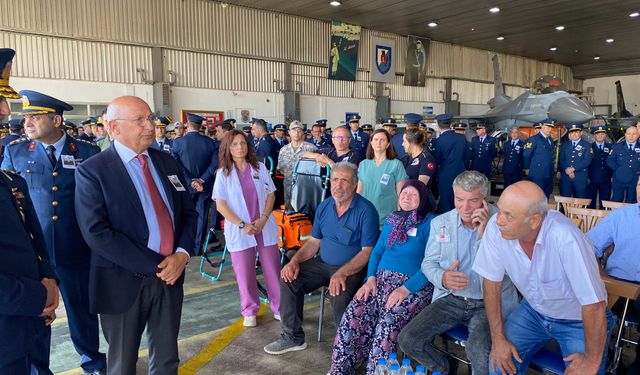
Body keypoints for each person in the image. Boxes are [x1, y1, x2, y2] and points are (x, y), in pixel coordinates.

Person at [74, 96, 198, 374]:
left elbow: (189, 213)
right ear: (114, 128)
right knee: (122, 363)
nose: (150, 126)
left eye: (150, 118)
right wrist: (158, 265)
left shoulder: (166, 162)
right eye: (140, 120)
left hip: (171, 277)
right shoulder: (93, 171)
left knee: (167, 359)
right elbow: (97, 232)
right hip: (121, 281)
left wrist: (181, 254)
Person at [2, 90, 107, 375]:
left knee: (81, 311)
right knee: (38, 315)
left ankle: (92, 360)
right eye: (26, 117)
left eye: (35, 117)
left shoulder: (87, 151)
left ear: (57, 120)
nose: (27, 123)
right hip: (36, 253)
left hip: (75, 247)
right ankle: (38, 367)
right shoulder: (16, 151)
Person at [473, 181, 613, 375]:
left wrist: (591, 359)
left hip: (579, 318)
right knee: (499, 362)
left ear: (534, 221)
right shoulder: (497, 229)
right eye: (500, 210)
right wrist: (498, 339)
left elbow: (594, 305)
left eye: (509, 216)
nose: (498, 221)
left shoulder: (565, 238)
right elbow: (490, 282)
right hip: (534, 311)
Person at [399, 171, 517, 375]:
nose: (465, 207)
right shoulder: (441, 223)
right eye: (459, 199)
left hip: (488, 302)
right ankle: (446, 368)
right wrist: (443, 278)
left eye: (473, 201)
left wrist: (486, 234)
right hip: (451, 299)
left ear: (485, 199)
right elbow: (429, 263)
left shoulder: (503, 223)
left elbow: (513, 269)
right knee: (408, 339)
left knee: (479, 350)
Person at [264, 162, 379, 355]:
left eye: (344, 180)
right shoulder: (325, 206)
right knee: (289, 278)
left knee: (339, 293)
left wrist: (342, 273)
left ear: (354, 184)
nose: (338, 185)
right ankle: (292, 337)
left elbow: (368, 251)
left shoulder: (366, 211)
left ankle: (348, 348)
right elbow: (313, 243)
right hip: (323, 264)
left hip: (351, 269)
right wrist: (294, 261)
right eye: (335, 179)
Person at [329, 180, 436, 375]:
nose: (406, 197)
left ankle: (377, 372)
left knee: (388, 322)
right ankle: (339, 369)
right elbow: (377, 252)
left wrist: (406, 289)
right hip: (379, 282)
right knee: (354, 313)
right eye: (404, 194)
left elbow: (432, 264)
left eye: (413, 195)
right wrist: (370, 278)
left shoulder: (431, 223)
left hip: (412, 287)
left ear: (422, 199)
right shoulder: (393, 219)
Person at [0, 47, 60, 375]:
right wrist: (40, 295)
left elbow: (30, 238)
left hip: (26, 324)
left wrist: (48, 279)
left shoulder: (8, 181)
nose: (7, 110)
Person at [212, 129, 281, 326]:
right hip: (240, 229)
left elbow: (271, 195)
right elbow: (221, 205)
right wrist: (242, 225)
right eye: (234, 144)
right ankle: (250, 309)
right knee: (244, 272)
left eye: (243, 143)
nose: (240, 147)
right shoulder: (223, 174)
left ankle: (279, 307)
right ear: (228, 148)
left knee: (272, 268)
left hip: (263, 225)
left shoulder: (259, 168)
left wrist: (264, 218)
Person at [588, 177, 640, 373]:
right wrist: (603, 277)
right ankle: (607, 360)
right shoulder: (621, 216)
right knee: (589, 312)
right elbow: (588, 246)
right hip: (615, 286)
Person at [171, 113, 219, 255]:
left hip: (186, 186)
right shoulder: (210, 142)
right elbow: (214, 164)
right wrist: (201, 180)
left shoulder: (178, 142)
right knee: (202, 216)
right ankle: (197, 248)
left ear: (187, 124)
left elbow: (176, 164)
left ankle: (184, 247)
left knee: (184, 215)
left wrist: (191, 181)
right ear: (200, 126)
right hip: (205, 186)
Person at [357, 129, 408, 228]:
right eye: (375, 139)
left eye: (382, 140)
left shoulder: (396, 164)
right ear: (371, 143)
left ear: (388, 144)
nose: (378, 142)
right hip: (366, 218)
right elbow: (359, 191)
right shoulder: (363, 164)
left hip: (388, 219)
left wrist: (400, 217)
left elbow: (401, 194)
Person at [434, 113, 471, 213]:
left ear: (438, 124)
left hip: (445, 175)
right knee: (460, 199)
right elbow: (467, 157)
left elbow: (436, 161)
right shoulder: (461, 138)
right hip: (461, 173)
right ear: (451, 123)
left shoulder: (438, 141)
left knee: (446, 201)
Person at [277, 120, 317, 209]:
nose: (296, 133)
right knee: (289, 215)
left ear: (303, 133)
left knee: (305, 214)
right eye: (294, 130)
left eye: (299, 130)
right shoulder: (283, 150)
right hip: (288, 188)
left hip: (306, 188)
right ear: (289, 133)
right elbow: (281, 169)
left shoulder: (311, 148)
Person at [523, 119, 556, 197]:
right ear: (542, 127)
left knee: (546, 195)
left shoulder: (550, 140)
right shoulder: (534, 139)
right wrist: (527, 168)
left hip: (549, 173)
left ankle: (544, 209)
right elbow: (526, 155)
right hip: (538, 173)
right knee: (537, 196)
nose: (550, 129)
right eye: (548, 127)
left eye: (551, 128)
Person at [607, 126, 640, 203]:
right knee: (616, 200)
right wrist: (620, 170)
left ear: (638, 135)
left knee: (632, 201)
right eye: (629, 134)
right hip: (619, 178)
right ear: (625, 135)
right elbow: (610, 161)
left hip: (634, 179)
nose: (631, 136)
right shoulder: (616, 147)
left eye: (634, 134)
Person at [558, 124, 592, 198]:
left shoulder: (587, 145)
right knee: (565, 199)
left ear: (581, 133)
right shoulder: (564, 145)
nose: (574, 134)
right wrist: (566, 169)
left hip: (580, 177)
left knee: (580, 200)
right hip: (566, 177)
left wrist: (573, 169)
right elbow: (561, 159)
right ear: (569, 134)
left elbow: (587, 160)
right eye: (572, 132)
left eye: (576, 132)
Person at [587, 125, 613, 208]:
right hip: (591, 179)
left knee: (605, 203)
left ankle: (604, 219)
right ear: (594, 136)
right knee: (590, 202)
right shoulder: (589, 147)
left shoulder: (610, 147)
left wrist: (612, 176)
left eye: (602, 134)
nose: (600, 136)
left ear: (605, 135)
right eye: (598, 134)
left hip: (606, 179)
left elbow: (613, 162)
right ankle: (590, 220)